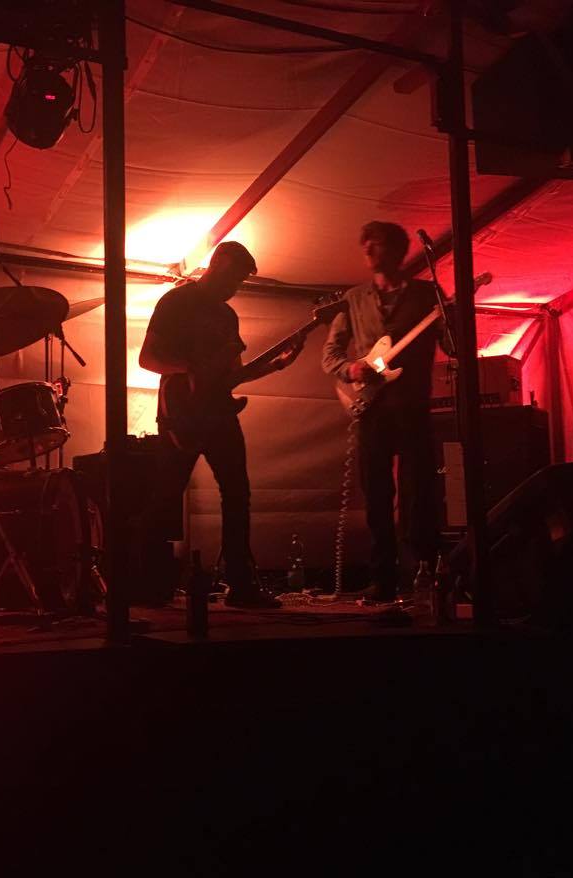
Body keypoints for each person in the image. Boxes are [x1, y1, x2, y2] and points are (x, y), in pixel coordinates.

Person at [138, 241, 305, 609]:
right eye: (234, 278)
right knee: (166, 496)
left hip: (219, 414)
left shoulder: (228, 317)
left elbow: (233, 376)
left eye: (240, 281)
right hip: (181, 415)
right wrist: (188, 371)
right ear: (218, 263)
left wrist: (276, 365)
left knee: (236, 494)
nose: (236, 287)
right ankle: (147, 584)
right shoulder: (176, 302)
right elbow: (147, 358)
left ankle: (241, 584)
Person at [322, 221, 454, 604]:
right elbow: (331, 353)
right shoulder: (354, 298)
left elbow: (454, 345)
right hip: (372, 408)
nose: (366, 249)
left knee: (420, 492)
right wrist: (351, 369)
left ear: (397, 250)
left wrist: (454, 318)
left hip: (412, 406)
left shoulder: (427, 294)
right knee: (377, 495)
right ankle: (383, 579)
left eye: (375, 243)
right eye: (364, 243)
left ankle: (423, 574)